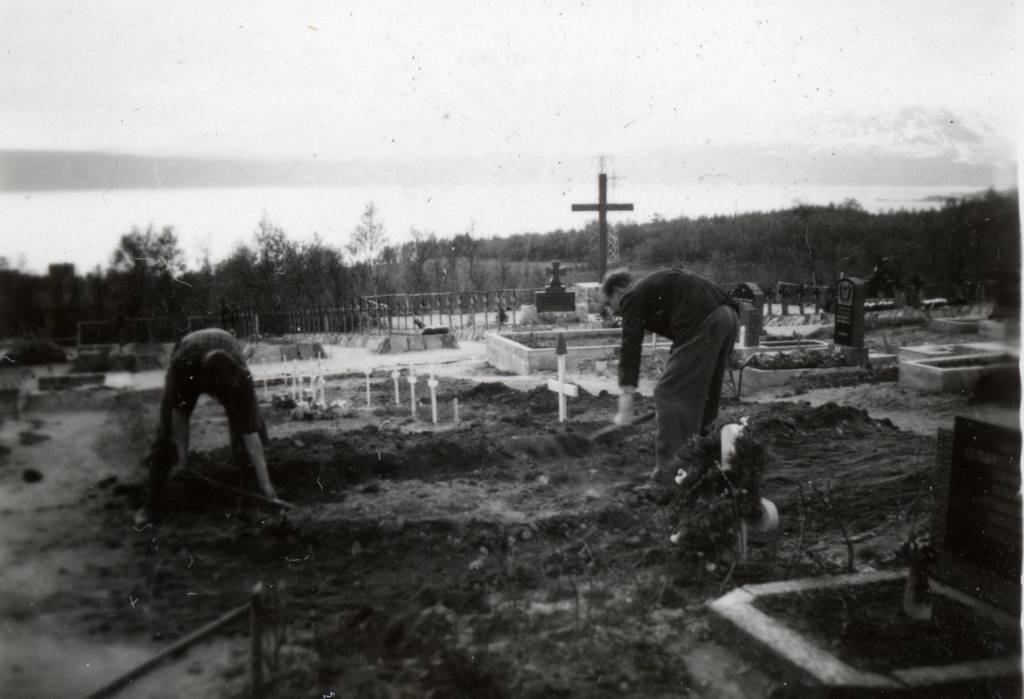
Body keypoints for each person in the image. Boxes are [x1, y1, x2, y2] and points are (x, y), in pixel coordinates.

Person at [602, 268, 739, 482]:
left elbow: (631, 345)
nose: (614, 311)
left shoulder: (631, 296)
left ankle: (669, 478)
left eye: (610, 303)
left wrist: (625, 403)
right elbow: (681, 338)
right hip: (727, 317)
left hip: (705, 319)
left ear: (618, 290)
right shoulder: (653, 289)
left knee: (667, 393)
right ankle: (702, 467)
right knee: (703, 399)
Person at [135, 328, 277, 526]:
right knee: (166, 434)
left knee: (242, 434)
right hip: (187, 355)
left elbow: (250, 433)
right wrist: (183, 459)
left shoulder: (241, 378)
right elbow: (179, 415)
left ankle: (249, 504)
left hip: (225, 353)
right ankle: (151, 505)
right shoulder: (184, 367)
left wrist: (266, 483)